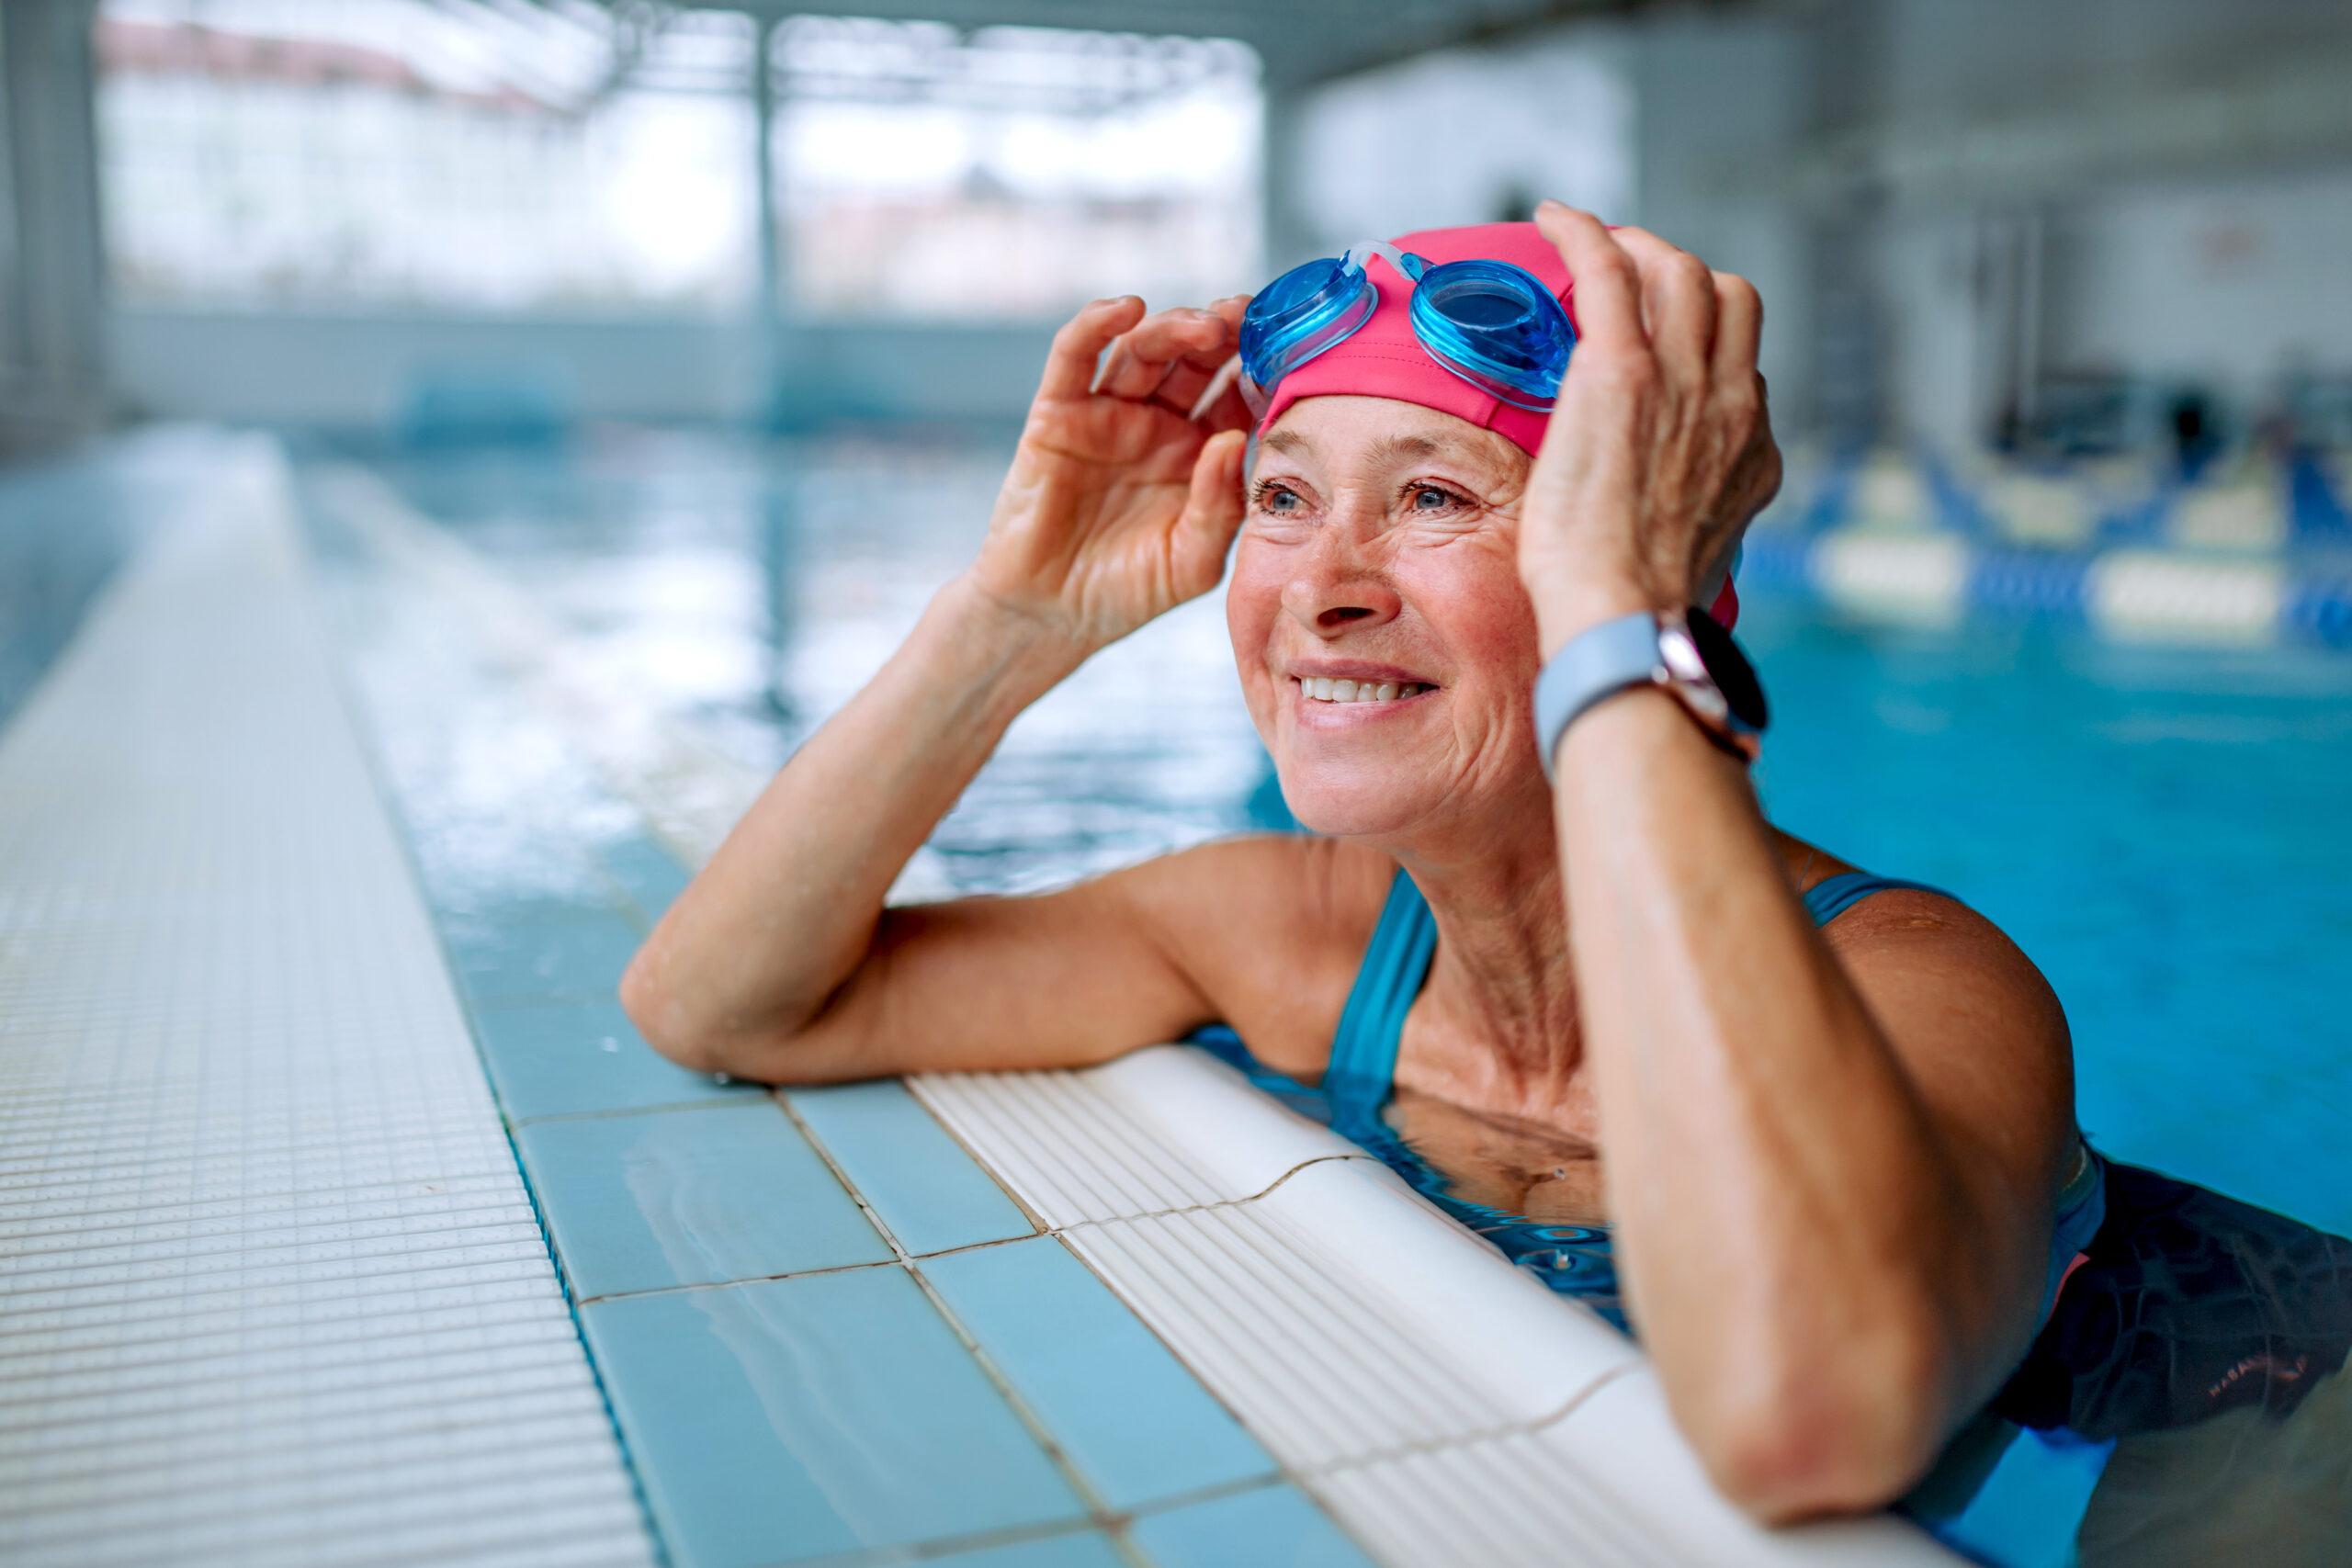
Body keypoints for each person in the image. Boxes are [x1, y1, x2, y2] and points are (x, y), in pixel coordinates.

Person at [617, 203, 2101, 1524]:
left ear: (1661, 585)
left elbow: (1811, 1419)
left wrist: (1619, 625)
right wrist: (1018, 619)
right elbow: (729, 1005)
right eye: (1286, 497)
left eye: (1439, 498)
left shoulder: (1919, 985)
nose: (1322, 592)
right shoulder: (1292, 936)